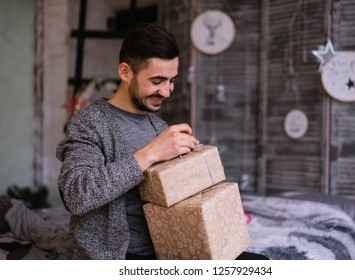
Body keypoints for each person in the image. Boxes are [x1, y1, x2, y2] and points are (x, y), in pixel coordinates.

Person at [56, 22, 268, 260]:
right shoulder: (90, 123)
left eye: (172, 80)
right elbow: (75, 195)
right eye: (157, 81)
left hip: (172, 248)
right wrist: (149, 154)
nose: (167, 92)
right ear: (125, 72)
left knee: (261, 265)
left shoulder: (159, 126)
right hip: (121, 256)